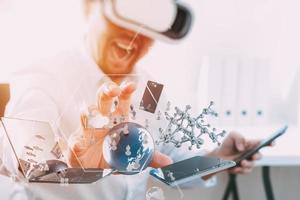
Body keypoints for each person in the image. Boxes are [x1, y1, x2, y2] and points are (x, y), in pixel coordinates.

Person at [2, 0, 264, 199]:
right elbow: (26, 154)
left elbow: (167, 161)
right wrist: (74, 167)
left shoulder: (151, 89)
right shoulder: (43, 75)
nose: (134, 35)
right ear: (89, 8)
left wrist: (217, 159)